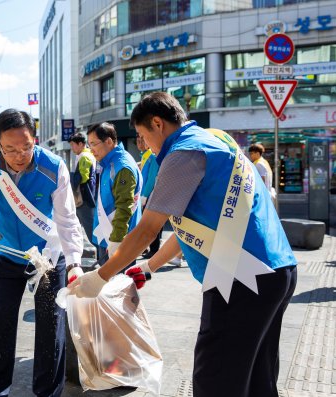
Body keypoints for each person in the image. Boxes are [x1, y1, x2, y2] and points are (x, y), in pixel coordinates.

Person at [70, 92, 297, 397]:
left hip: (240, 278)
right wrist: (149, 266)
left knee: (216, 379)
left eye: (142, 136)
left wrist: (100, 276)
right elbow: (191, 228)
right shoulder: (217, 141)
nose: (144, 145)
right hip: (277, 269)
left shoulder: (182, 153)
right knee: (258, 376)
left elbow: (149, 229)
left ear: (157, 123)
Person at [0, 108, 83, 397]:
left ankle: (47, 392)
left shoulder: (53, 166)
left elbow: (67, 220)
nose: (19, 155)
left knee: (51, 326)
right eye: (9, 150)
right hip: (7, 253)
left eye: (26, 147)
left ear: (35, 140)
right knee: (0, 321)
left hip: (48, 256)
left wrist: (74, 264)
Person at [87, 122, 142, 267]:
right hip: (108, 236)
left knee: (116, 287)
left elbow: (124, 207)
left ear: (109, 141)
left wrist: (116, 241)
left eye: (94, 144)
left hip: (117, 240)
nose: (91, 150)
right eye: (89, 145)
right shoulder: (110, 162)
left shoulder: (121, 166)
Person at [68, 132, 97, 243]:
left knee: (89, 229)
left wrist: (70, 178)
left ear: (80, 144)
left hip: (84, 198)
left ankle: (101, 255)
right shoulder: (87, 154)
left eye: (73, 145)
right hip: (85, 197)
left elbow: (83, 178)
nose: (72, 148)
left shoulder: (84, 157)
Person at [136, 134, 162, 259]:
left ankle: (154, 249)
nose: (140, 143)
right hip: (146, 194)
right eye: (138, 140)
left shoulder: (152, 156)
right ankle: (149, 248)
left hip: (150, 194)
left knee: (151, 223)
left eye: (143, 140)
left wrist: (145, 195)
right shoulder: (146, 156)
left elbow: (151, 178)